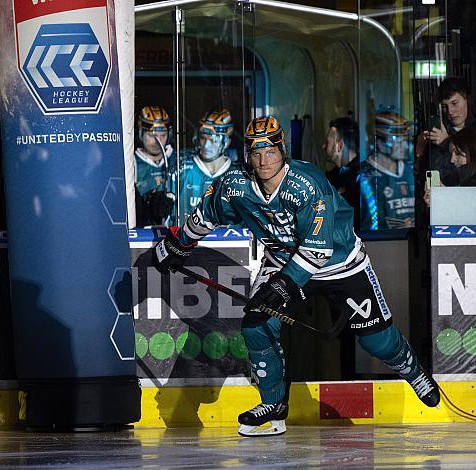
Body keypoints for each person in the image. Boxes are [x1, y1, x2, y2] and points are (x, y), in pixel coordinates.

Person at [153, 115, 440, 437]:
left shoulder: (306, 183)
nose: (263, 161)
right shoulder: (235, 185)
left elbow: (316, 251)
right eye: (256, 153)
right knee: (256, 324)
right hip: (281, 262)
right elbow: (205, 215)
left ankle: (413, 370)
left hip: (340, 264)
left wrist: (280, 287)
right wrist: (177, 247)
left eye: (270, 152)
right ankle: (274, 406)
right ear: (247, 154)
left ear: (282, 150)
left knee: (377, 341)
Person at [415, 77, 476, 189]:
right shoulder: (436, 133)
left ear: (468, 100)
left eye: (455, 103)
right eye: (444, 106)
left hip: (473, 199)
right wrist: (419, 154)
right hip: (440, 200)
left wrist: (447, 142)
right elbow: (423, 177)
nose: (450, 111)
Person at [424, 127, 476, 224]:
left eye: (457, 153)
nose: (452, 159)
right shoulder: (469, 175)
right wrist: (440, 201)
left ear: (472, 152)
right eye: (451, 154)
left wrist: (447, 198)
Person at [360, 111, 416, 230]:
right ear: (380, 144)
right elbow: (369, 228)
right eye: (400, 142)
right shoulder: (365, 177)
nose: (406, 146)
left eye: (405, 141)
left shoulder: (411, 170)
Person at [177, 109, 234, 224]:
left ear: (226, 142)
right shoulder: (182, 168)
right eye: (203, 138)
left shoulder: (237, 174)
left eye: (213, 140)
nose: (206, 145)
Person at [135, 105, 176, 227]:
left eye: (163, 135)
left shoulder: (178, 159)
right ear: (141, 134)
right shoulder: (132, 162)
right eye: (152, 136)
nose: (157, 141)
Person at [323, 115, 360, 230]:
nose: (323, 146)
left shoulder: (361, 178)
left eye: (327, 142)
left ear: (339, 145)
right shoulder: (331, 177)